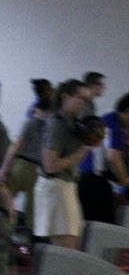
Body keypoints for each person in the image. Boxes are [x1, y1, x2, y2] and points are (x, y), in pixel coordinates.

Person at [34, 79, 98, 249]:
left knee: (73, 244)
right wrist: (84, 150)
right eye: (80, 98)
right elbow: (50, 165)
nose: (84, 103)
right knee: (66, 249)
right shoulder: (57, 124)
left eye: (86, 100)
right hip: (55, 186)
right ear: (65, 97)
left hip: (66, 186)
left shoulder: (74, 123)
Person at [0, 79, 54, 231]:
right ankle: (28, 242)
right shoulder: (54, 128)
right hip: (38, 170)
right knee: (32, 214)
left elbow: (15, 146)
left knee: (4, 202)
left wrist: (4, 170)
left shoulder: (29, 122)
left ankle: (6, 230)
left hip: (20, 165)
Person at [77, 92, 129, 223]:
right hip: (92, 180)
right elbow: (113, 156)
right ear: (128, 112)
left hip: (87, 178)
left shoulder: (109, 119)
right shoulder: (113, 123)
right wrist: (125, 180)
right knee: (102, 225)